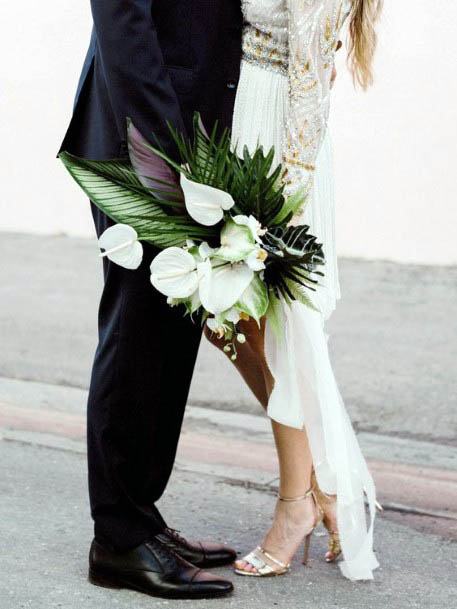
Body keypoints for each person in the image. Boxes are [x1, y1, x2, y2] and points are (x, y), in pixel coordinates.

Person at [59, 0, 243, 600]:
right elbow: (123, 18)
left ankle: (141, 517)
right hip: (146, 137)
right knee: (135, 329)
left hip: (195, 129)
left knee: (171, 328)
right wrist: (169, 151)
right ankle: (117, 539)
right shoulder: (161, 143)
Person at [205, 0, 383, 581]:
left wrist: (287, 198)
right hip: (251, 120)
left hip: (280, 146)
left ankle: (297, 505)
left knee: (279, 334)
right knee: (228, 324)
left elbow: (310, 74)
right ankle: (325, 481)